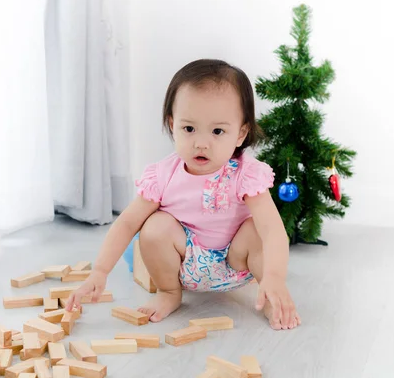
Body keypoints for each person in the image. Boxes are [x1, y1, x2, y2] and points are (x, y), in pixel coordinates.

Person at [65, 59, 300, 330]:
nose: (201, 143)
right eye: (189, 129)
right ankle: (169, 293)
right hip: (186, 263)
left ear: (240, 133)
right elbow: (127, 223)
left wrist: (273, 275)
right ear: (172, 124)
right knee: (153, 226)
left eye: (217, 131)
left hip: (237, 263)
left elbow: (273, 230)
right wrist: (100, 271)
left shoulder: (246, 174)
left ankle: (270, 296)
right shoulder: (163, 175)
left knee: (256, 228)